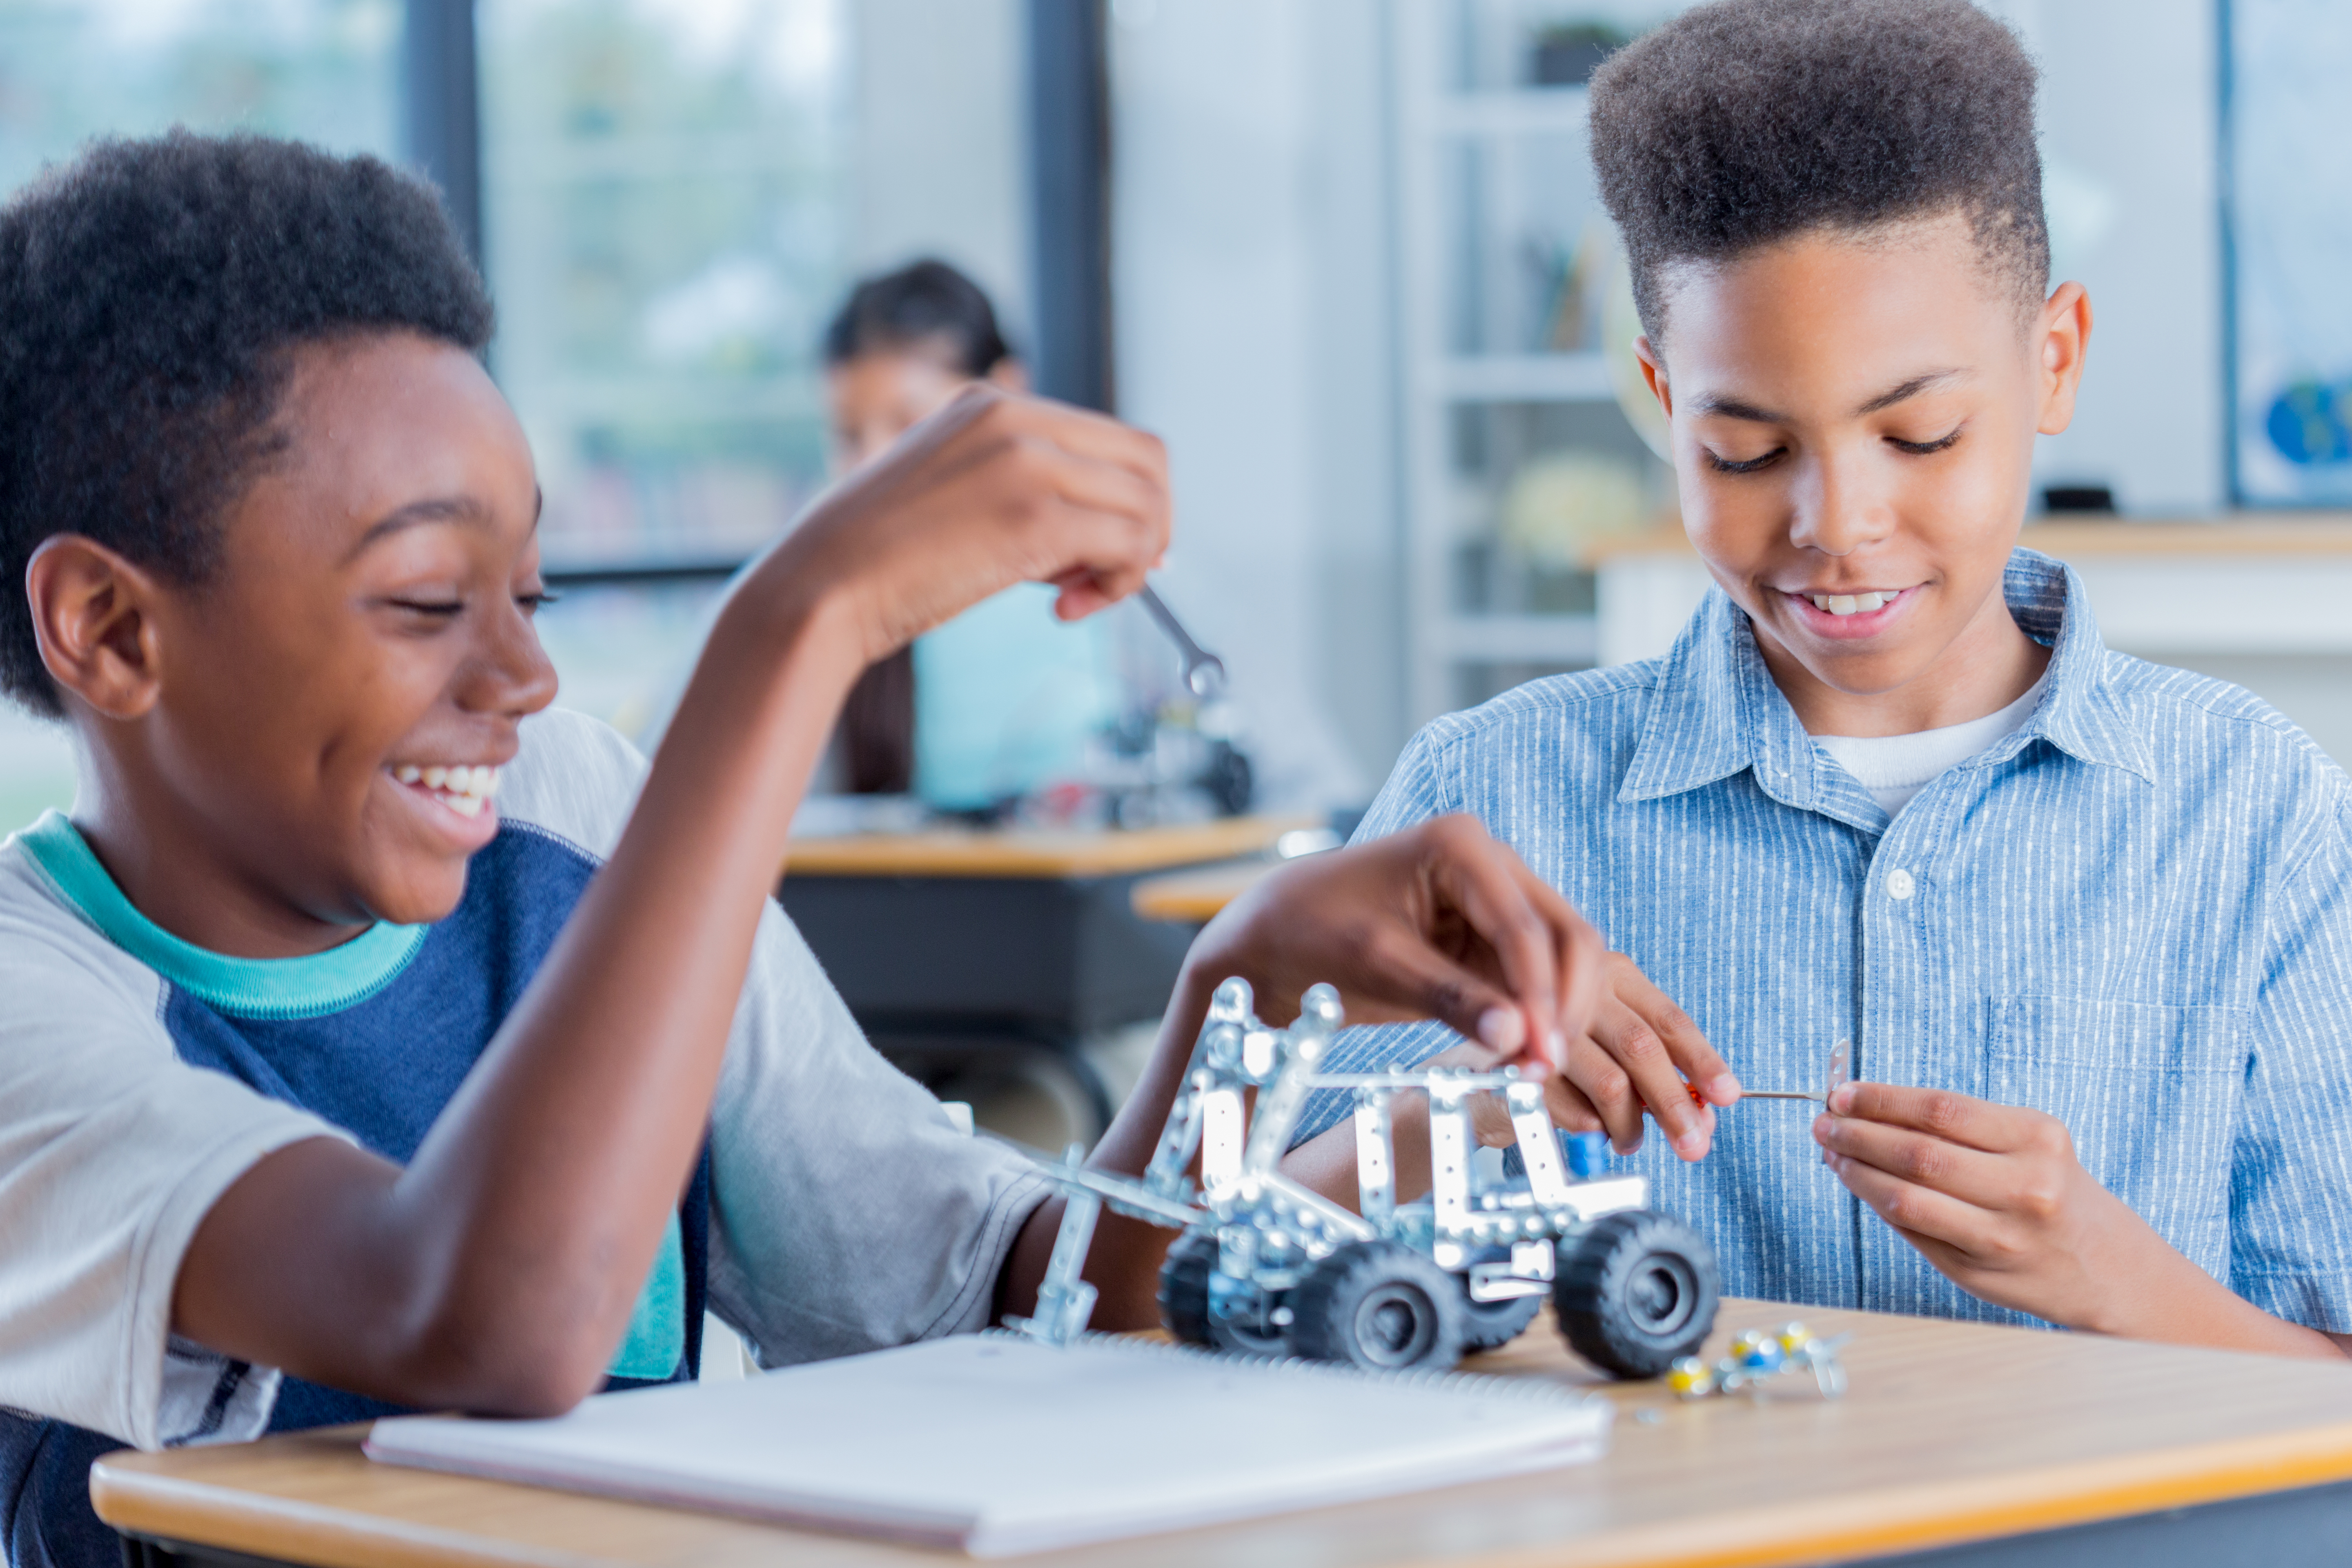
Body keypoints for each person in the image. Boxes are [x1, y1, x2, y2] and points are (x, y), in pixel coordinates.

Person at [0, 133, 1608, 1568]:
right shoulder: (32, 1015)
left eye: (531, 598)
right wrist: (797, 625)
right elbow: (488, 1323)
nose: (522, 680)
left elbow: (1000, 1292)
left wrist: (1235, 999)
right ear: (110, 628)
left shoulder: (564, 810)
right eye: (427, 604)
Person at [1285, 0, 2352, 1359]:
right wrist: (1460, 1109)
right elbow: (1228, 1290)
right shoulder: (1485, 802)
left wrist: (2111, 1276)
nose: (1837, 525)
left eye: (1922, 434)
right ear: (1665, 404)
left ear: (2056, 363)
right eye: (1743, 451)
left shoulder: (2256, 819)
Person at [819, 259, 1120, 811]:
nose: (871, 468)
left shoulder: (1113, 568)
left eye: (907, 426)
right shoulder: (816, 596)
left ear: (1005, 394)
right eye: (848, 436)